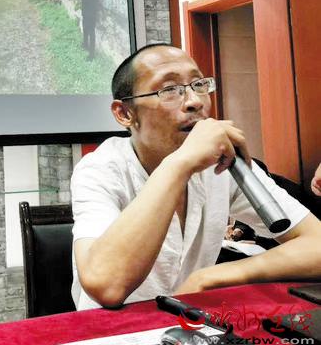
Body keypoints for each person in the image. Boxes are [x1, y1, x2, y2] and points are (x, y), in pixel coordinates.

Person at [70, 43, 321, 310]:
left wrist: (210, 277)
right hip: (114, 328)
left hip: (187, 322)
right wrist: (180, 164)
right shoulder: (100, 169)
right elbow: (107, 286)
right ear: (125, 113)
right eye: (169, 90)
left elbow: (316, 243)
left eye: (199, 85)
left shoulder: (222, 160)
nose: (195, 101)